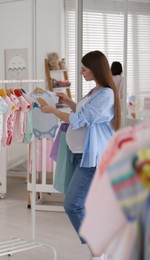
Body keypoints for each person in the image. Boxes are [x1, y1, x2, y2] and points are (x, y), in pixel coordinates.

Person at [38, 50, 121, 260]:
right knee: (84, 204)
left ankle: (98, 250)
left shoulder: (107, 94)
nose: (82, 72)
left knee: (72, 204)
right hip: (79, 155)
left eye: (84, 69)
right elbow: (80, 113)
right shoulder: (94, 91)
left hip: (92, 158)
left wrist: (53, 111)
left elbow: (81, 120)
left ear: (95, 69)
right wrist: (67, 101)